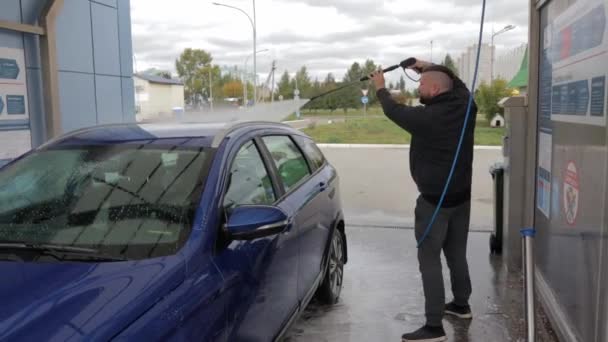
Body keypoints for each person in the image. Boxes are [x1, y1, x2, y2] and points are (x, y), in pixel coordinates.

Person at [369, 59, 477, 342]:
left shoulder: (428, 118)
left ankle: (433, 327)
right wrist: (427, 65)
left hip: (434, 203)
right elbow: (455, 82)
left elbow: (394, 110)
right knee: (456, 253)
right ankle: (461, 305)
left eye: (422, 84)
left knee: (429, 260)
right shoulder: (467, 104)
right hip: (461, 200)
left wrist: (380, 88)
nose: (419, 88)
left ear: (435, 89)